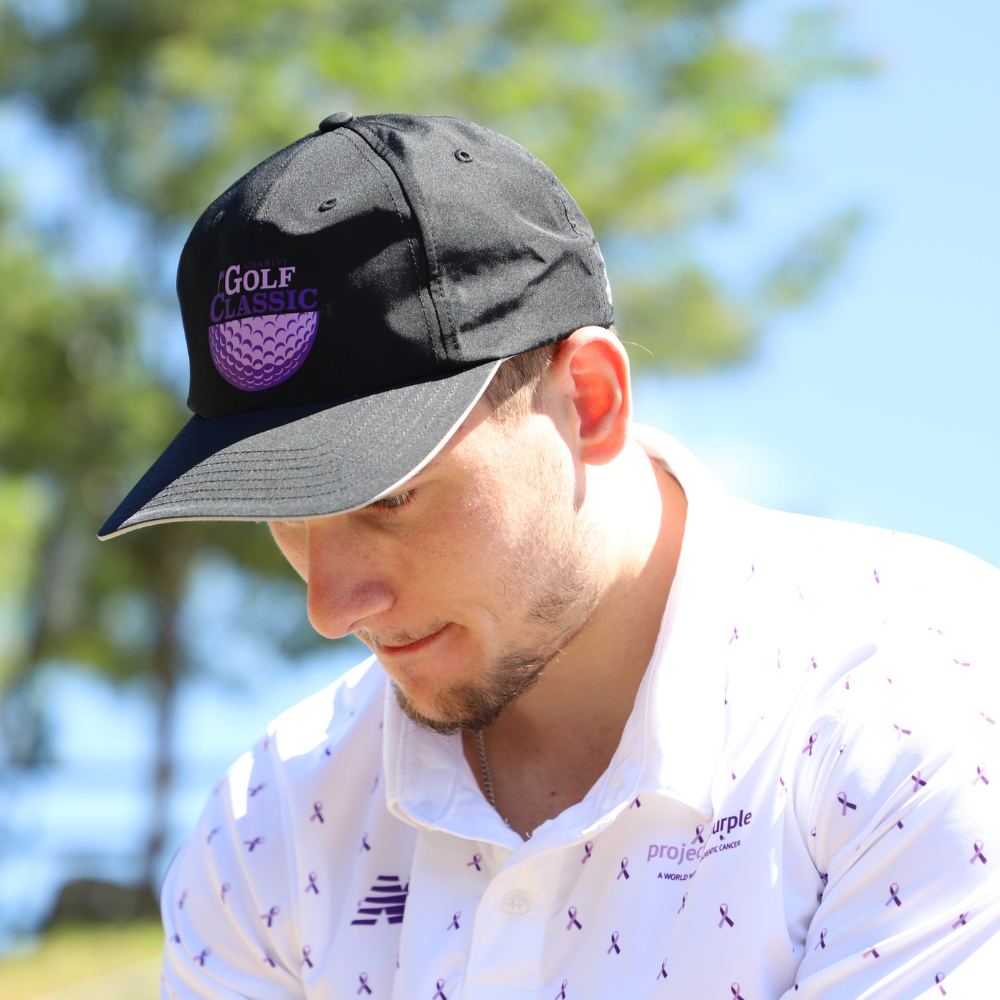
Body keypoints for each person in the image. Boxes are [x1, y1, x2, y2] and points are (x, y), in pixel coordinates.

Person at [100, 114, 1000, 1000]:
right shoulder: (278, 822)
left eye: (392, 499)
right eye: (288, 518)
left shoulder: (921, 710)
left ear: (591, 402)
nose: (332, 607)